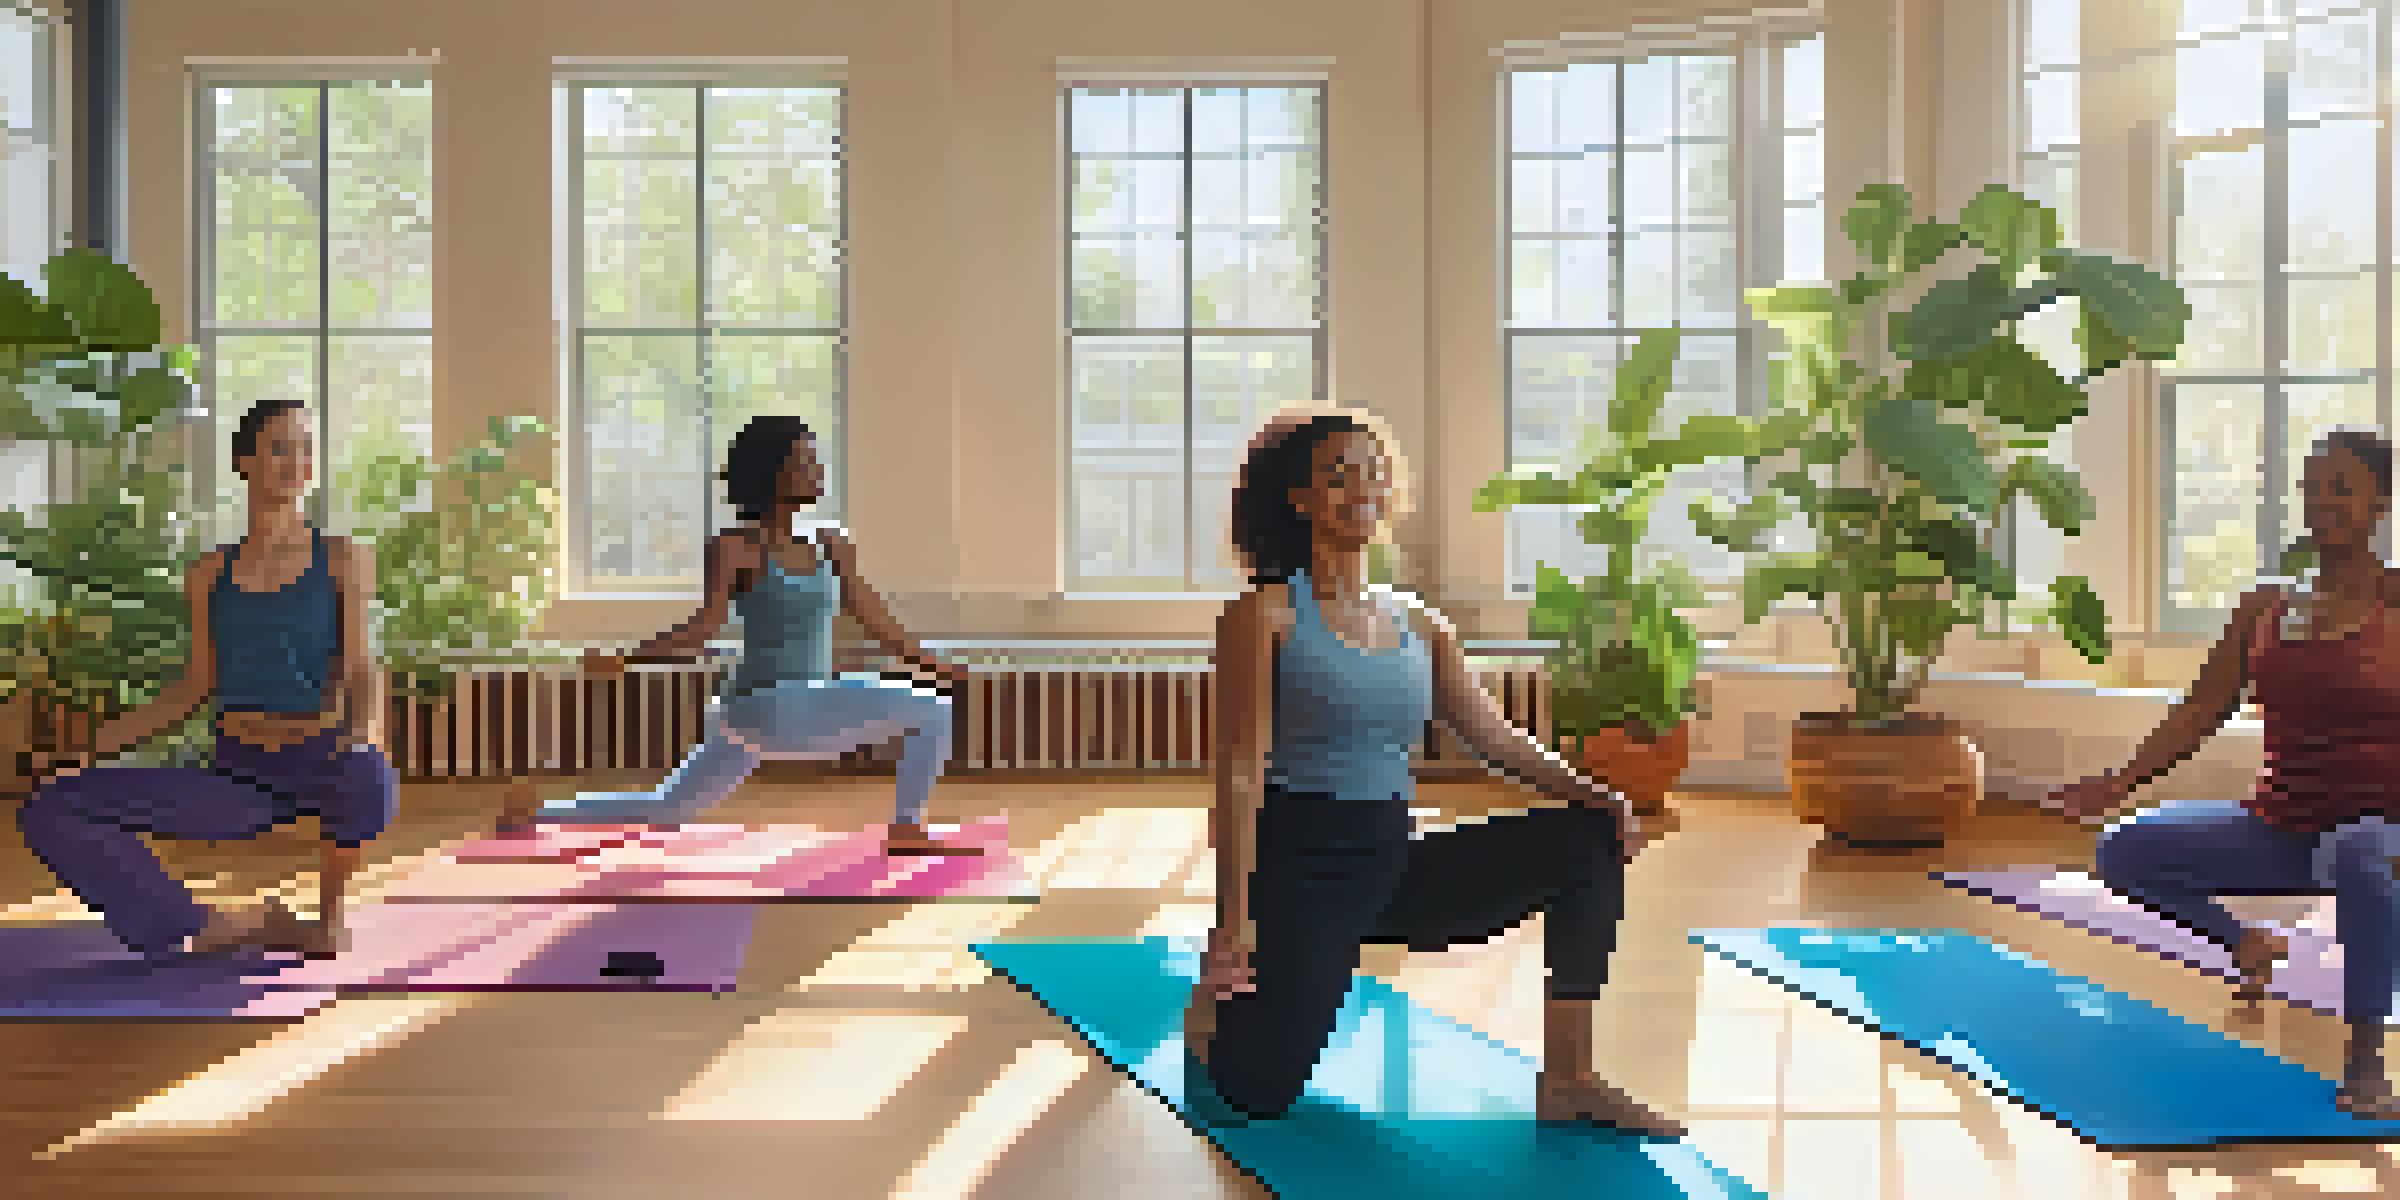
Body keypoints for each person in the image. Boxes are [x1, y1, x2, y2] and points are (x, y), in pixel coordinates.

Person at [1182, 408, 1678, 1133]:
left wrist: (1598, 796)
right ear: (1299, 499)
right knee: (1253, 1095)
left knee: (1587, 842)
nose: (1362, 491)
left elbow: (1491, 736)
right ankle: (1206, 1017)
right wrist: (1233, 929)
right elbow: (1239, 776)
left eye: (1373, 474)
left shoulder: (1420, 624)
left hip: (1390, 865)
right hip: (1302, 878)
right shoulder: (1264, 616)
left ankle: (1569, 1077)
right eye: (1337, 477)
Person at [2045, 427, 2400, 1117]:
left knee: (2362, 854)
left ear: (2379, 504)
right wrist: (2118, 782)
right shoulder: (2264, 607)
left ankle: (2365, 1062)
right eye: (2312, 487)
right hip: (2283, 826)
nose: (2322, 502)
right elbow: (2200, 710)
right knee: (2125, 851)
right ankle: (2249, 944)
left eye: (2342, 489)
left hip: (2380, 834)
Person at [17, 396, 397, 960]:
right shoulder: (210, 571)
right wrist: (91, 748)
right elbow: (195, 687)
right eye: (280, 447)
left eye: (306, 448)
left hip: (320, 762)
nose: (297, 461)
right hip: (239, 774)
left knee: (368, 776)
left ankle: (328, 920)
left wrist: (361, 733)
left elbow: (362, 666)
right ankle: (202, 923)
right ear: (245, 461)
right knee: (50, 807)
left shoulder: (341, 557)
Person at [545, 416, 980, 856]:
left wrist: (936, 665)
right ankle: (905, 827)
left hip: (748, 715)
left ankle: (537, 813)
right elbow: (704, 628)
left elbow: (877, 621)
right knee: (935, 711)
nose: (818, 470)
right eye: (806, 460)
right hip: (777, 709)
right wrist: (628, 658)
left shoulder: (831, 543)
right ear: (775, 472)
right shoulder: (736, 546)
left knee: (669, 807)